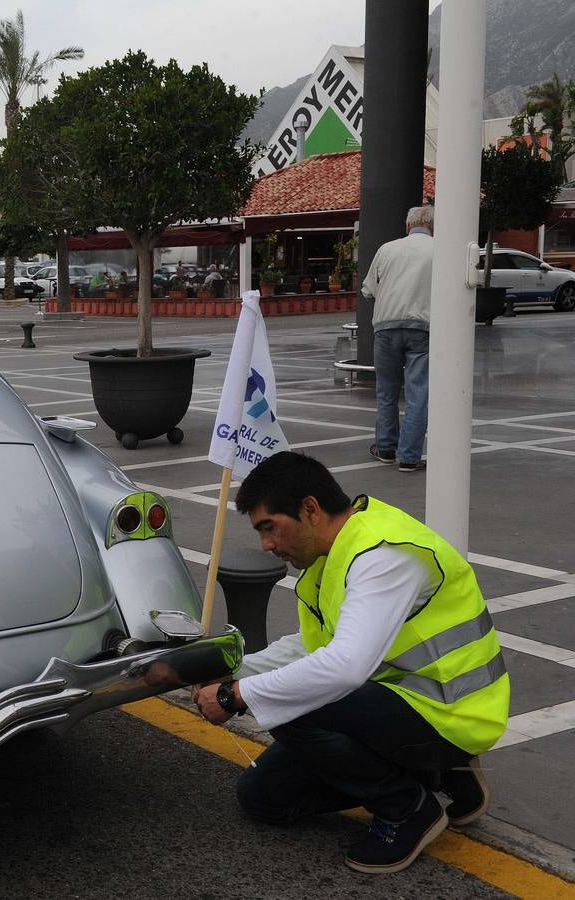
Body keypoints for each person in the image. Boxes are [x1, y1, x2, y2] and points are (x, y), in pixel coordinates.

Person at [194, 451, 509, 875]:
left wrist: (236, 696)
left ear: (309, 508)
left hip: (451, 714)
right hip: (393, 703)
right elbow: (312, 647)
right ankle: (435, 773)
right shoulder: (333, 552)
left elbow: (343, 668)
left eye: (270, 528)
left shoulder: (383, 555)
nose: (267, 545)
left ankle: (407, 808)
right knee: (263, 799)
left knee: (298, 703)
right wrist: (232, 671)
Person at [362, 205, 434, 472]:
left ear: (407, 226)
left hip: (386, 327)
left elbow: (369, 290)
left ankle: (385, 447)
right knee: (418, 394)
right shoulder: (440, 249)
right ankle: (409, 457)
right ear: (432, 226)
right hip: (423, 328)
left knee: (387, 391)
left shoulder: (387, 249)